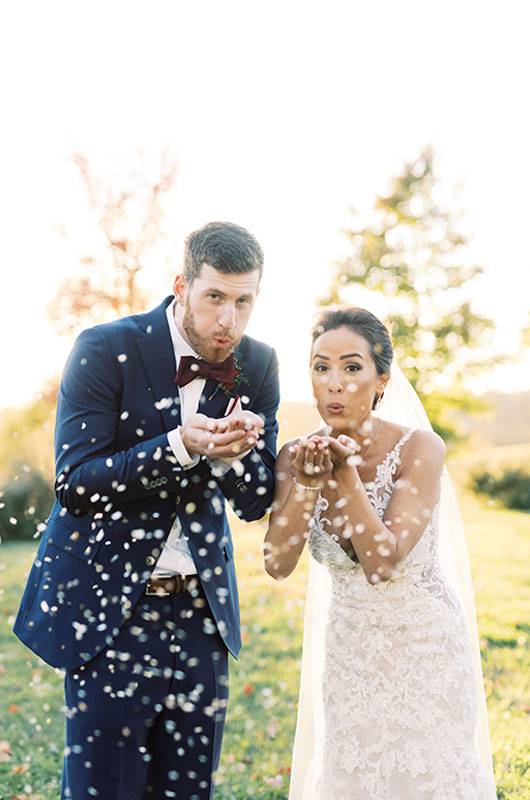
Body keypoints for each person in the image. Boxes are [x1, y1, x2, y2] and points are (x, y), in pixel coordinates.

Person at [13, 221, 280, 799]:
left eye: (243, 302)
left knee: (186, 792)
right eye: (214, 298)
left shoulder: (257, 365)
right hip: (109, 614)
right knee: (102, 790)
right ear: (182, 286)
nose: (227, 321)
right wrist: (181, 447)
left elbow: (258, 501)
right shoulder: (106, 348)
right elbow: (75, 484)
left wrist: (234, 457)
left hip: (202, 621)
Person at [264, 307, 497, 799]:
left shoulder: (421, 449)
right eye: (321, 367)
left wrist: (343, 477)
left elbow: (384, 563)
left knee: (428, 777)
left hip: (425, 647)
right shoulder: (296, 455)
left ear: (381, 379)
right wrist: (306, 484)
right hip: (350, 650)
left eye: (352, 367)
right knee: (355, 776)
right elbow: (278, 564)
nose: (334, 383)